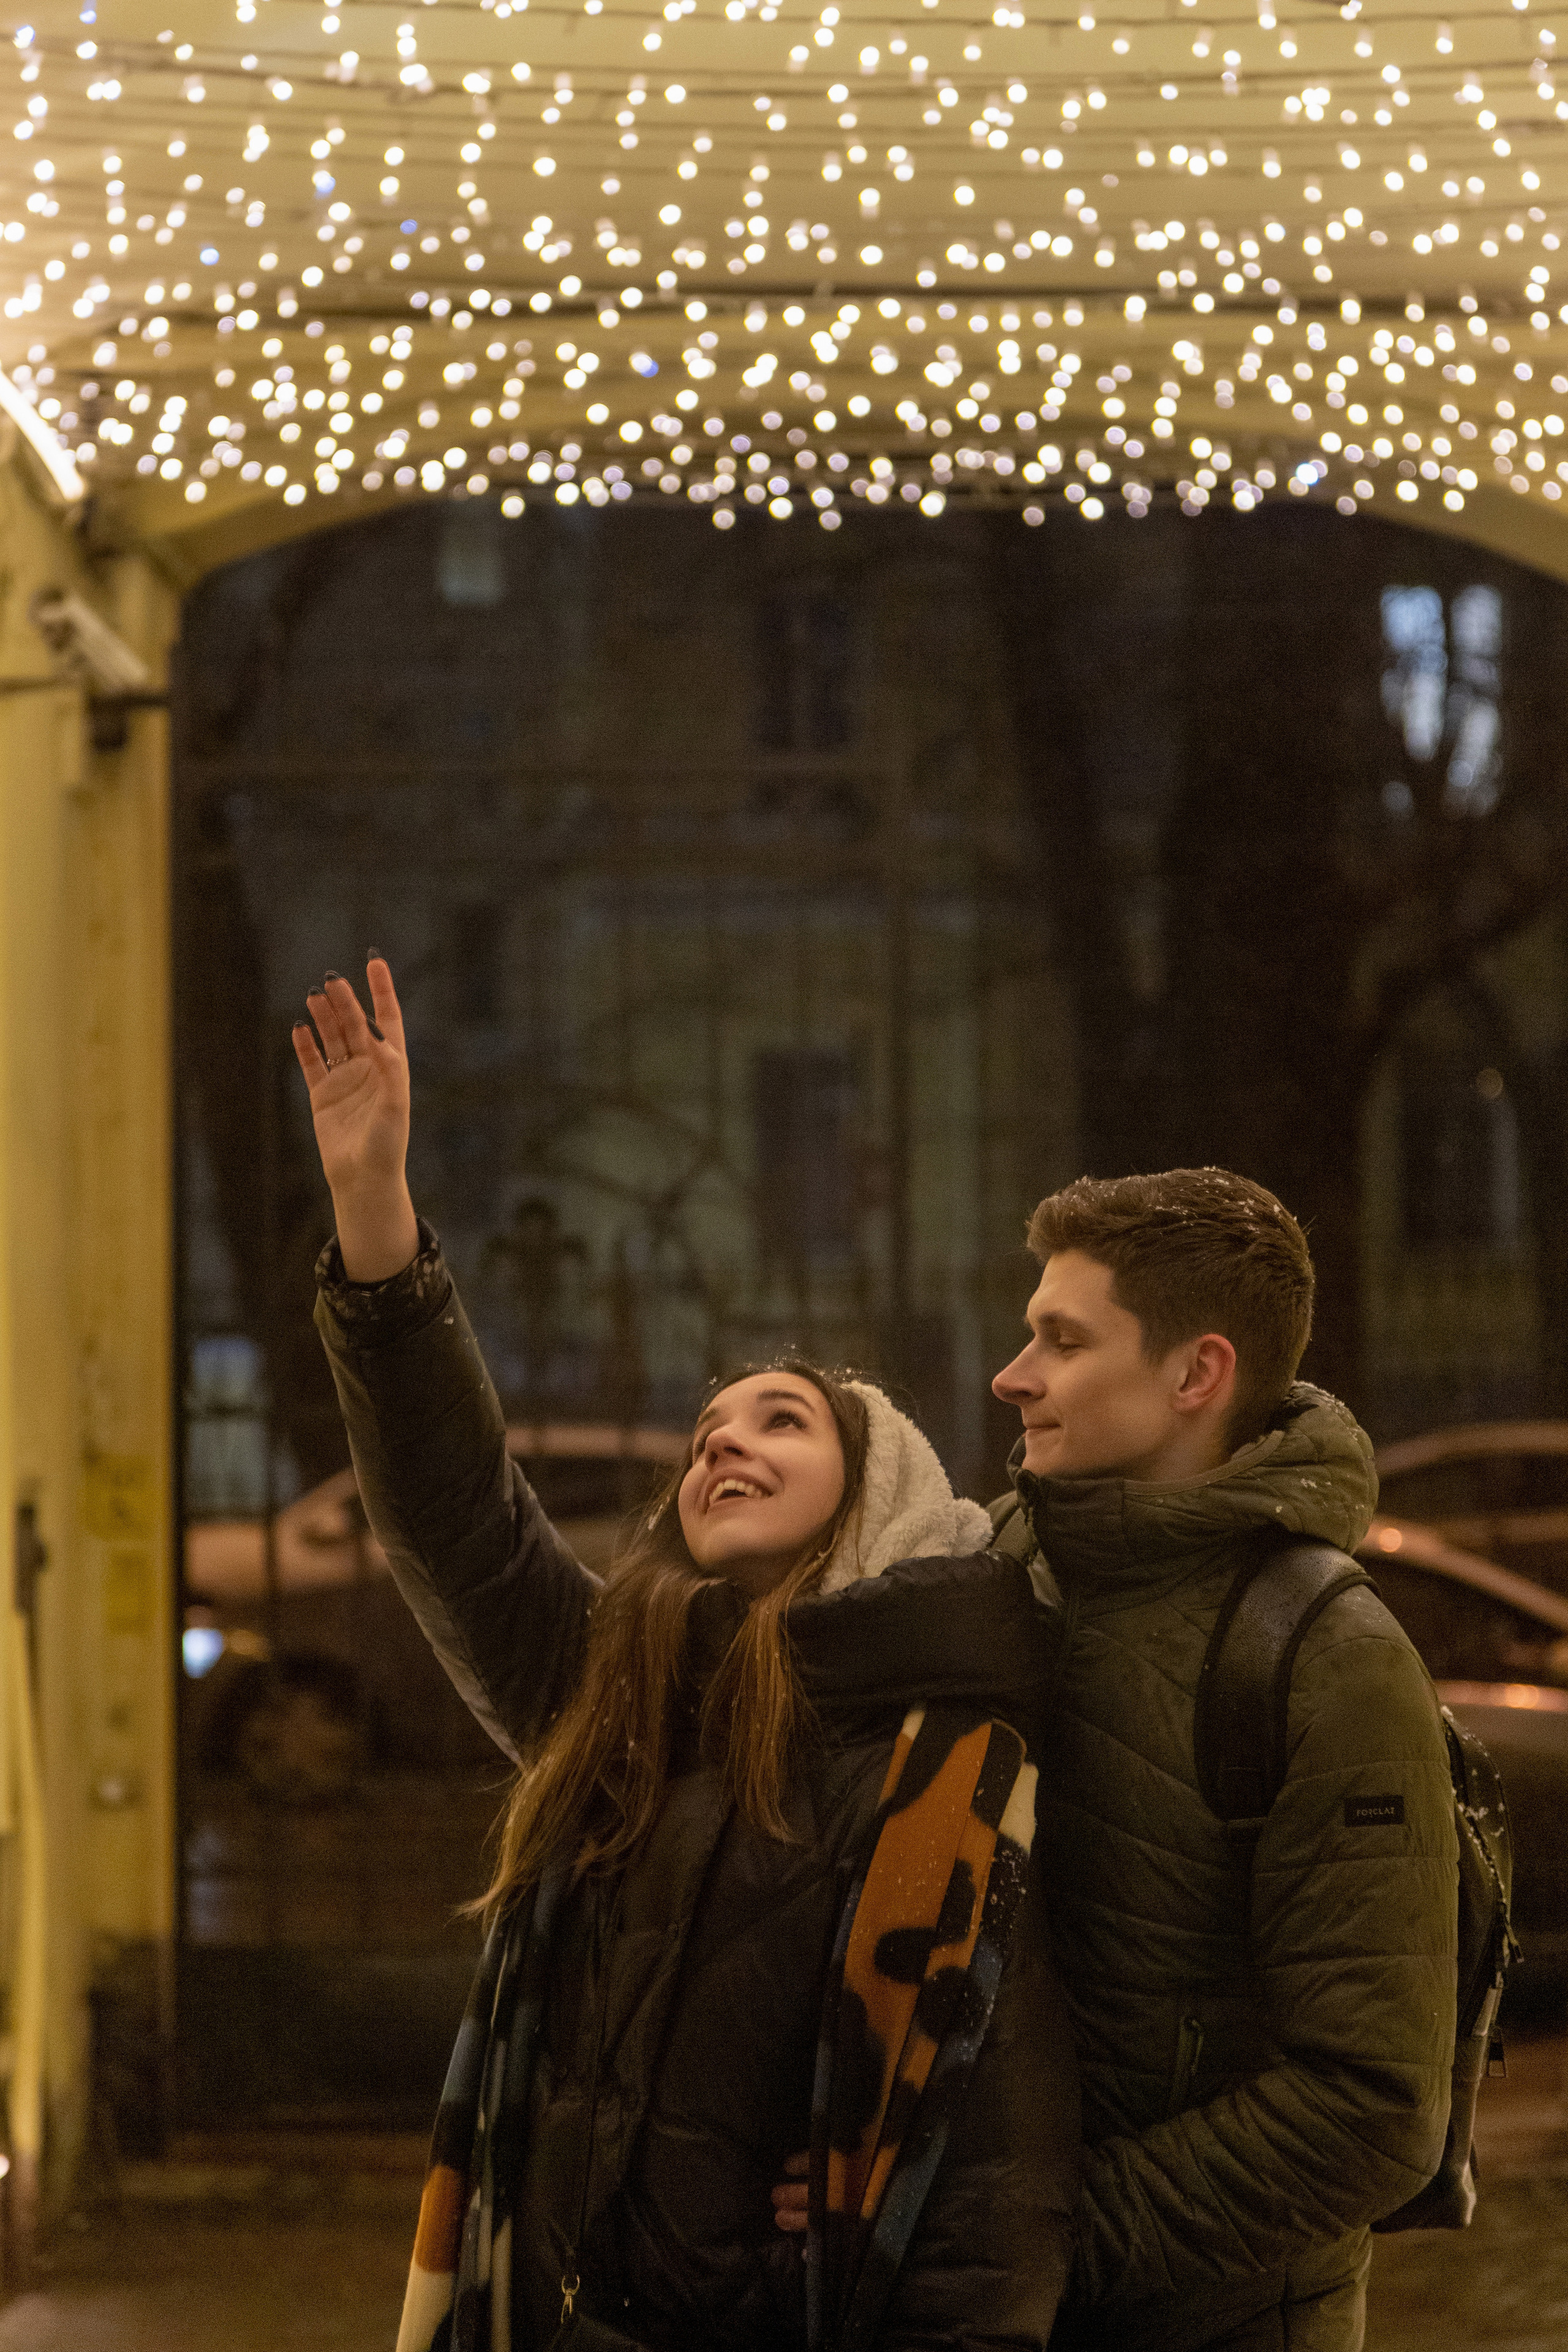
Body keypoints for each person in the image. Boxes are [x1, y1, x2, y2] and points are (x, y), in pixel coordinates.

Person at [292, 960, 1079, 2352]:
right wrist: (373, 1207)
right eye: (710, 1430)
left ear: (879, 1489)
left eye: (781, 1420)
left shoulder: (944, 1765)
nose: (725, 1441)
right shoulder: (619, 1695)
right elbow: (453, 1514)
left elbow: (985, 2220)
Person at [984, 1170, 1458, 2352]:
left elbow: (1371, 2106)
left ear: (1197, 1375)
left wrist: (1026, 2247)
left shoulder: (1323, 1652)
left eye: (1063, 1339)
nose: (1014, 1373)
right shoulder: (1002, 1571)